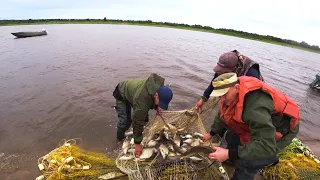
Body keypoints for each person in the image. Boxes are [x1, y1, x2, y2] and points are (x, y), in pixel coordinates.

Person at [202, 73, 300, 180]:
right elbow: (224, 114)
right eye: (219, 95)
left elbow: (265, 144)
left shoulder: (255, 106)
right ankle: (232, 159)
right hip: (260, 123)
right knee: (231, 136)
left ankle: (269, 159)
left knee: (248, 162)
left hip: (279, 129)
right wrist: (211, 133)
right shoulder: (230, 94)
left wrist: (229, 153)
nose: (222, 99)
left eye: (224, 95)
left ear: (237, 88)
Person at [113, 73, 173, 156]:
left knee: (144, 118)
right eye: (160, 103)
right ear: (156, 95)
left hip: (135, 94)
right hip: (122, 93)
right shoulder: (142, 101)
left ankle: (138, 134)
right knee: (125, 122)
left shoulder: (159, 88)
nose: (161, 105)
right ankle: (119, 139)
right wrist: (137, 144)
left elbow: (152, 101)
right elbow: (137, 121)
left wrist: (157, 107)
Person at [195, 50, 263, 112]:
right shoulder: (225, 64)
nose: (221, 72)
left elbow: (253, 95)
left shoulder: (251, 72)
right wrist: (203, 99)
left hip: (251, 91)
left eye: (224, 71)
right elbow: (214, 83)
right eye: (220, 69)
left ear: (234, 68)